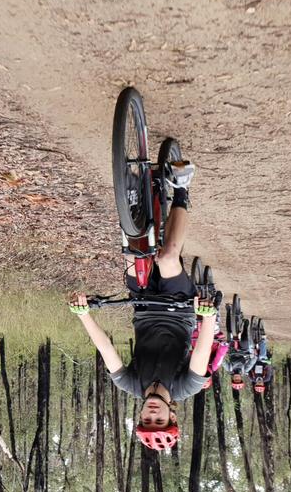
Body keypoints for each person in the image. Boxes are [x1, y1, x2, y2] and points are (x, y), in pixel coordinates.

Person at [70, 163, 215, 452]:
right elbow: (201, 352)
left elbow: (107, 351)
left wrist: (84, 315)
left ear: (139, 417)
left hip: (144, 304)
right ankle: (182, 190)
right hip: (178, 308)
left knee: (132, 254)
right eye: (158, 420)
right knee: (167, 258)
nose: (151, 415)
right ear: (171, 415)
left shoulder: (130, 384)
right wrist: (208, 316)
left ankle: (137, 201)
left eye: (146, 420)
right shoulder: (187, 387)